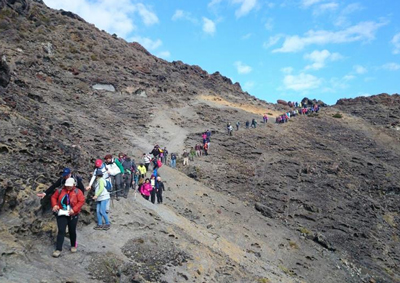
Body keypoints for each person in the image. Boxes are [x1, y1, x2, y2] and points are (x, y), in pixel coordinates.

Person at [51, 177, 85, 258]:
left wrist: (74, 209)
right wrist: (55, 205)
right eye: (67, 185)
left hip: (73, 214)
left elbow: (81, 201)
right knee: (61, 230)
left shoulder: (78, 191)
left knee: (72, 230)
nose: (68, 187)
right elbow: (53, 197)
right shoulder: (60, 190)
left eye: (70, 185)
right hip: (62, 213)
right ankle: (58, 249)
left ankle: (73, 245)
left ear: (74, 184)